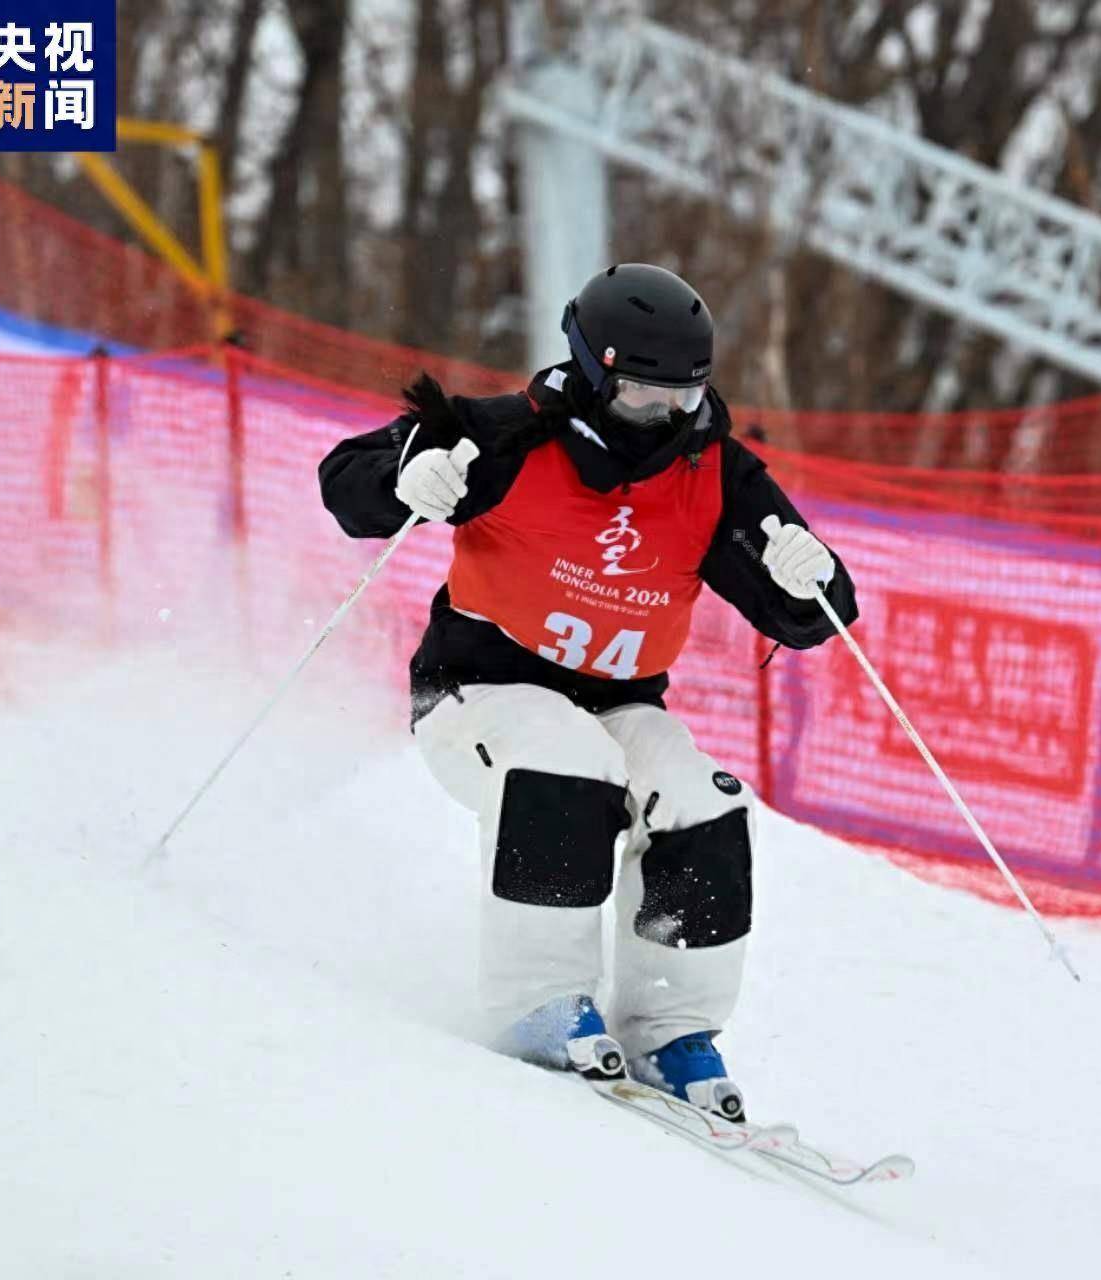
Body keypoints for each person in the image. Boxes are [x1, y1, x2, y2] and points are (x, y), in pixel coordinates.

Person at [318, 263, 858, 1120]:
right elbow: (348, 480)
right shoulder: (507, 437)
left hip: (621, 704)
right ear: (596, 373)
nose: (664, 418)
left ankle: (668, 1030)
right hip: (478, 694)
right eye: (643, 397)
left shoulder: (713, 473)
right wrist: (402, 482)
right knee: (569, 761)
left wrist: (808, 580)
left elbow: (804, 616)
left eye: (682, 399)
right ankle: (539, 1001)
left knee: (701, 804)